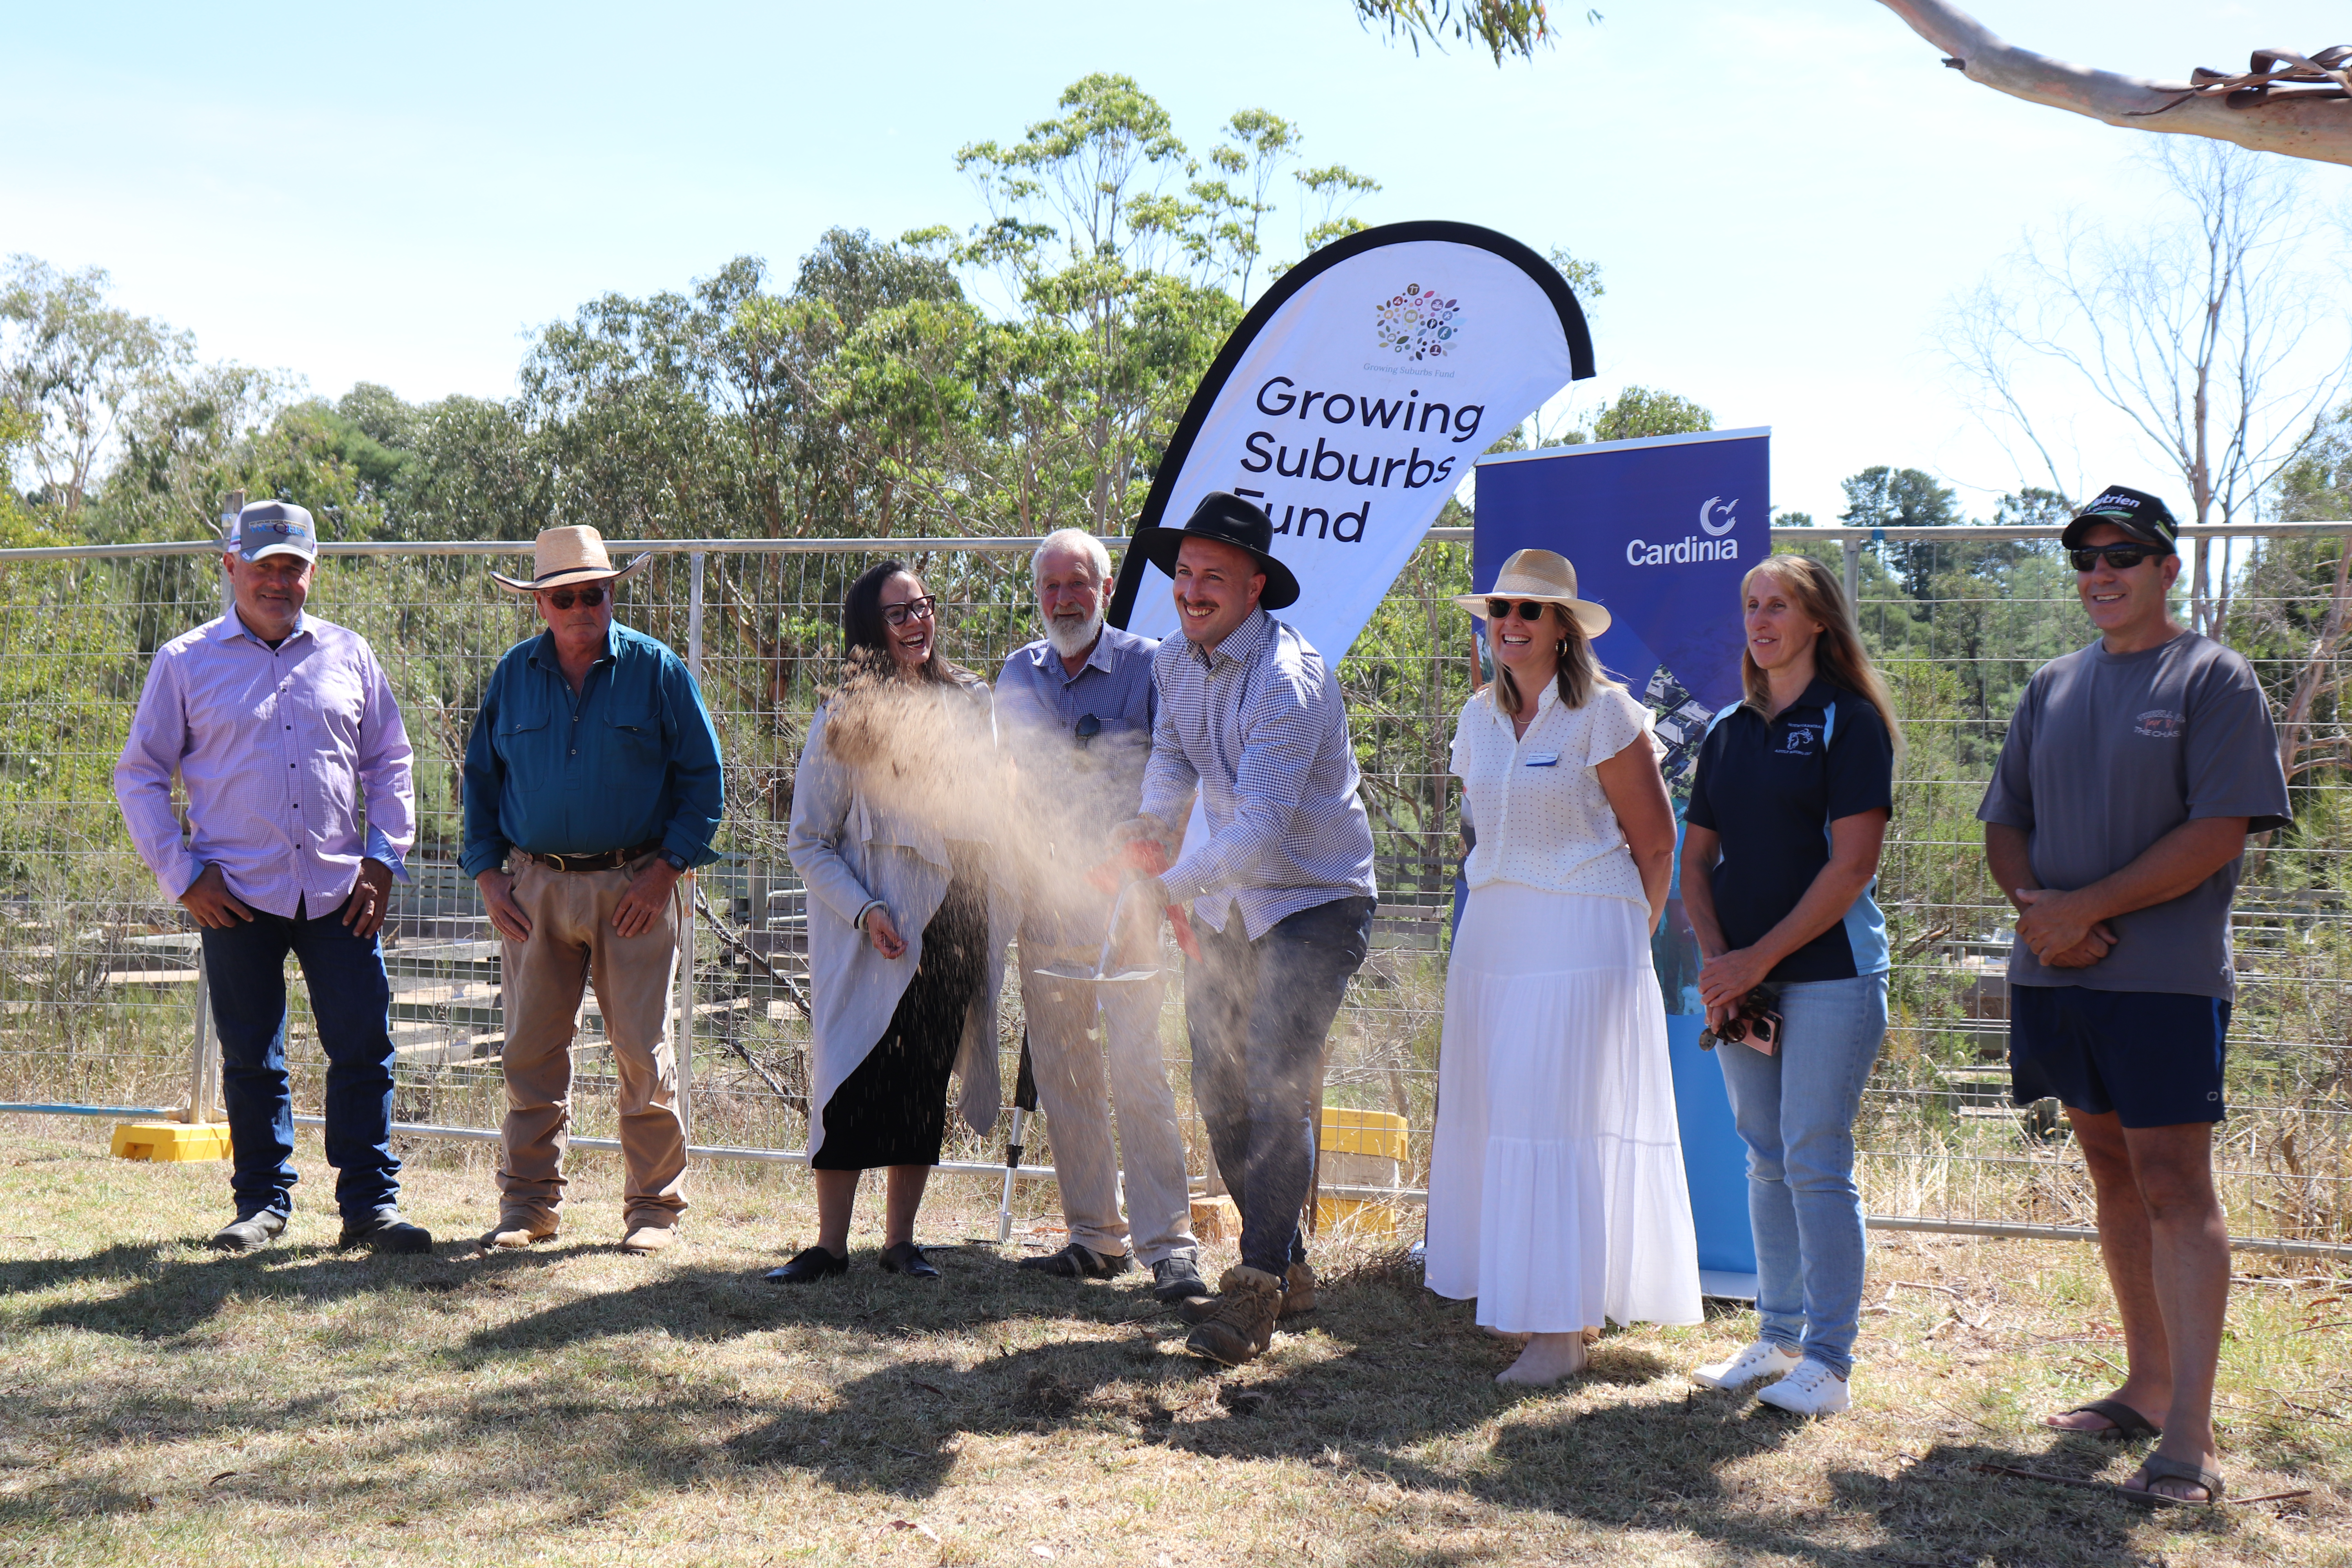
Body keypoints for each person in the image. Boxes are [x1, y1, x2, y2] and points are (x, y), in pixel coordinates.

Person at [1978, 485, 2290, 1501]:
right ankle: (2146, 1387)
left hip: (2164, 981)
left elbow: (2220, 831)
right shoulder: (2051, 686)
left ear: (2168, 568)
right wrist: (2040, 914)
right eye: (2086, 560)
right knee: (2111, 1170)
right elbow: (2005, 822)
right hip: (2058, 974)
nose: (2101, 574)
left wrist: (2085, 909)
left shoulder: (2215, 679)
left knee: (2174, 1187)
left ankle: (2190, 1438)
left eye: (2123, 556)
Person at [114, 500, 430, 1254]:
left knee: (363, 1048)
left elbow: (391, 762)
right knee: (253, 1057)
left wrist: (385, 859)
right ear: (231, 567)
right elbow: (139, 776)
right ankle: (261, 1205)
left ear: (312, 573)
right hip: (235, 898)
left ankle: (370, 1207)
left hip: (339, 893)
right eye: (264, 567)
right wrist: (183, 876)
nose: (278, 582)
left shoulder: (350, 655)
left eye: (293, 568)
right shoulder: (184, 662)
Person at [1108, 492, 1378, 1368]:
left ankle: (1255, 1286)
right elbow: (1176, 754)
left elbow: (1259, 835)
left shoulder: (1290, 678)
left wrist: (1163, 893)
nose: (1191, 591)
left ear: (1256, 586)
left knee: (1272, 1070)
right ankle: (1292, 1265)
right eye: (1183, 573)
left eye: (1212, 577)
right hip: (1227, 902)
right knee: (1219, 1086)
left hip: (1315, 898)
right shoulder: (1174, 663)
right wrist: (1150, 829)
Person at [1423, 548, 1698, 1385]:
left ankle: (1561, 1330)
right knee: (1504, 1110)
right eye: (1501, 608)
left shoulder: (1606, 712)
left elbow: (1655, 843)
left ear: (1564, 628)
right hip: (1496, 933)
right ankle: (1535, 1302)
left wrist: (1625, 936)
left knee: (1555, 1118)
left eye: (1530, 611)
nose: (1510, 622)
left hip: (1585, 933)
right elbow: (1485, 835)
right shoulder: (1475, 717)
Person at [461, 526, 722, 1256]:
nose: (583, 607)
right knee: (529, 1052)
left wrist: (667, 869)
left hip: (635, 885)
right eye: (566, 596)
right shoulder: (512, 676)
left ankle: (653, 1212)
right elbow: (479, 783)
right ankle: (529, 1209)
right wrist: (489, 877)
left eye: (595, 593)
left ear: (612, 594)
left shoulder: (658, 671)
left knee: (642, 1050)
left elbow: (705, 781)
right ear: (541, 603)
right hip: (533, 888)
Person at [1678, 554, 1898, 1417]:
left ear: (1818, 622)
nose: (1761, 619)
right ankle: (1774, 1337)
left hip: (1832, 977)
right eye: (1751, 605)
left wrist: (1753, 960)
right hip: (1746, 979)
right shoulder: (1728, 728)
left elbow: (1851, 870)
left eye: (1780, 605)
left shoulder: (1852, 723)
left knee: (1814, 1158)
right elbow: (1697, 861)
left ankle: (1830, 1361)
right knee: (1764, 1157)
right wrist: (1719, 959)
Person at [776, 561, 1017, 1283]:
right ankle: (828, 1247)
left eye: (923, 608)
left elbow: (995, 807)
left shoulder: (973, 701)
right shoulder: (843, 714)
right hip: (878, 931)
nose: (918, 623)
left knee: (924, 1077)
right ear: (870, 629)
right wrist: (867, 909)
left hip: (957, 920)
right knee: (853, 1074)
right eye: (899, 613)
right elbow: (809, 842)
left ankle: (902, 1243)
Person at [995, 528, 1206, 1302]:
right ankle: (1094, 1235)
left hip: (1128, 908)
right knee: (1064, 1073)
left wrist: (1154, 877)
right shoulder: (1019, 672)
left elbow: (1181, 778)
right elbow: (1009, 782)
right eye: (1050, 587)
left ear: (1107, 587)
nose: (1063, 599)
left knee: (1139, 1070)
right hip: (1046, 906)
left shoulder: (1153, 666)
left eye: (1077, 583)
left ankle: (1170, 1246)